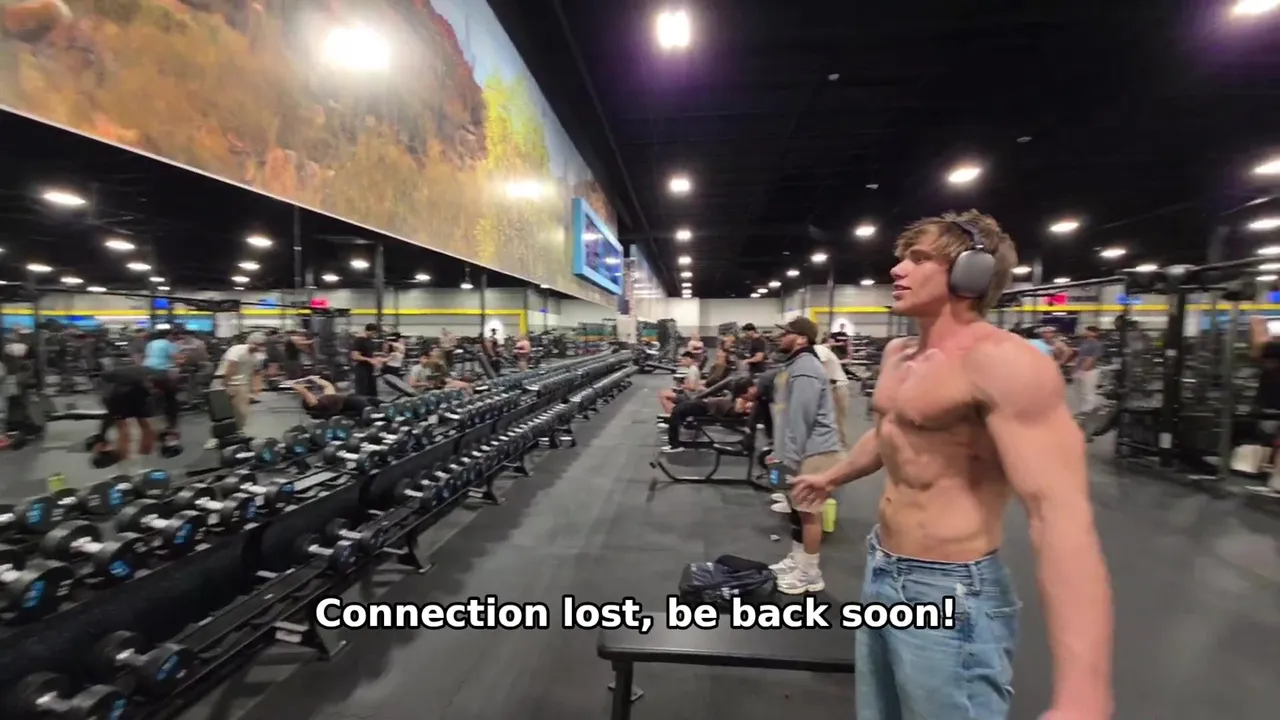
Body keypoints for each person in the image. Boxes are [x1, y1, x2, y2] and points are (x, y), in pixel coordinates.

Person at [790, 211, 1114, 720]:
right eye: (902, 258)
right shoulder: (899, 354)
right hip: (882, 567)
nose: (897, 269)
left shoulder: (1004, 363)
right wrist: (833, 476)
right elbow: (891, 431)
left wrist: (1083, 693)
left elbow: (1060, 518)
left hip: (950, 587)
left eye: (918, 259)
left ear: (972, 273)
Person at [764, 316, 843, 595]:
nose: (780, 337)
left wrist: (787, 459)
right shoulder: (795, 365)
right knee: (797, 511)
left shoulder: (806, 368)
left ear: (801, 338)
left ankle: (810, 573)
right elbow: (785, 414)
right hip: (800, 449)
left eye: (786, 333)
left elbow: (801, 419)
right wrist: (778, 450)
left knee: (809, 514)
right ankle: (798, 560)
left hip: (814, 451)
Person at [92, 364, 179, 468]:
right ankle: (143, 451)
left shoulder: (151, 374)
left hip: (120, 389)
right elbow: (171, 405)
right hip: (129, 390)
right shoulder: (163, 382)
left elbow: (111, 412)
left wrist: (102, 434)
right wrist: (172, 427)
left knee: (123, 423)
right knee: (139, 422)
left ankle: (120, 453)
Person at [661, 377, 758, 453]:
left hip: (705, 406)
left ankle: (675, 445)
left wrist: (747, 406)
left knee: (677, 411)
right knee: (678, 411)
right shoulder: (740, 399)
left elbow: (740, 410)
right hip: (705, 404)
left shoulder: (741, 402)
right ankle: (674, 438)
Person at [214, 332, 268, 430]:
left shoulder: (259, 356)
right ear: (249, 342)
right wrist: (224, 384)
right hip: (223, 380)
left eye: (261, 345)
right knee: (220, 412)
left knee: (240, 413)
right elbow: (232, 367)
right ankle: (222, 433)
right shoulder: (237, 349)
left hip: (241, 385)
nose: (258, 347)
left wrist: (256, 388)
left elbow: (256, 373)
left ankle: (238, 431)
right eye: (256, 344)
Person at [290, 375, 382, 420]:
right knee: (359, 401)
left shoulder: (326, 398)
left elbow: (327, 385)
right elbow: (304, 391)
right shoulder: (317, 404)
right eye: (310, 397)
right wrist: (294, 385)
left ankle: (385, 407)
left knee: (370, 399)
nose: (313, 395)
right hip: (346, 403)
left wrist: (315, 379)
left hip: (348, 400)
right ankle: (375, 414)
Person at [1074, 325, 1104, 413]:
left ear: (1093, 333)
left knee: (1089, 392)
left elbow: (1091, 359)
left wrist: (1083, 370)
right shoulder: (1084, 342)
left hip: (1089, 371)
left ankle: (1089, 410)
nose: (1085, 332)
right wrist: (1077, 369)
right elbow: (1080, 356)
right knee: (1082, 392)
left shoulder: (1096, 344)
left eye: (1087, 331)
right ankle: (1084, 409)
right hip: (1081, 369)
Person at [350, 324, 381, 397]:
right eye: (374, 333)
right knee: (362, 391)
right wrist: (369, 360)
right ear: (369, 331)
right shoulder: (359, 340)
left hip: (370, 369)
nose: (375, 335)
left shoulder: (369, 340)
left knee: (372, 391)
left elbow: (369, 354)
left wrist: (376, 359)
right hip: (362, 369)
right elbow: (354, 356)